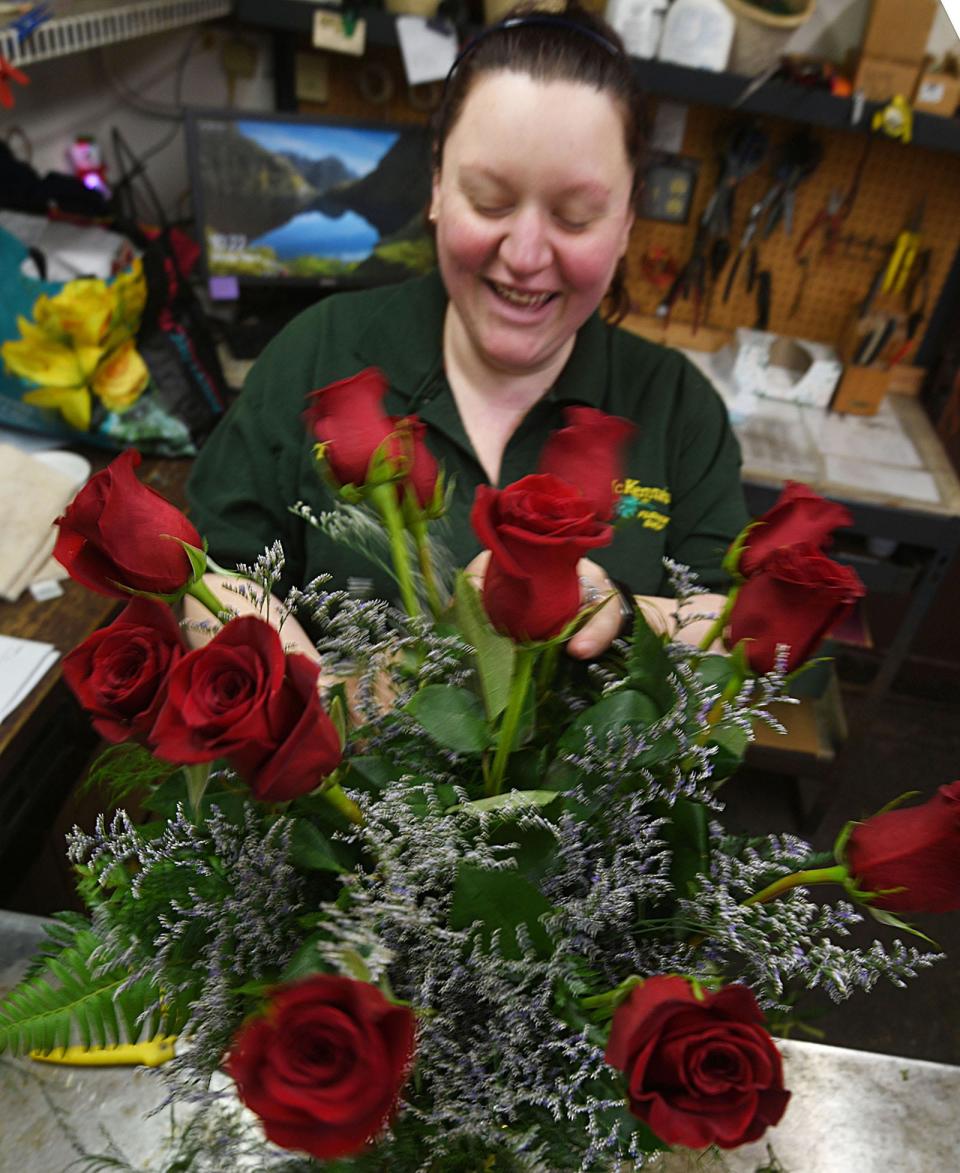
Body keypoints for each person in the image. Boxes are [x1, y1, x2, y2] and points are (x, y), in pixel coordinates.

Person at [185, 2, 748, 658]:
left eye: (575, 216)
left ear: (626, 223)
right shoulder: (319, 351)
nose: (527, 254)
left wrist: (617, 612)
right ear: (436, 187)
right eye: (489, 201)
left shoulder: (679, 408)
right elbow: (212, 574)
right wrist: (326, 705)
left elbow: (735, 623)